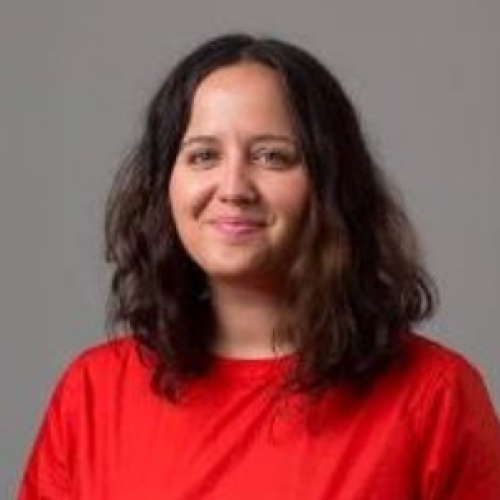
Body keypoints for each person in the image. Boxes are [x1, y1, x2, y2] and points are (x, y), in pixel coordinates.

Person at [17, 33, 500, 499]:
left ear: (331, 185)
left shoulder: (433, 395)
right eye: (203, 155)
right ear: (166, 186)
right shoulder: (93, 393)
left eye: (272, 156)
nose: (233, 188)